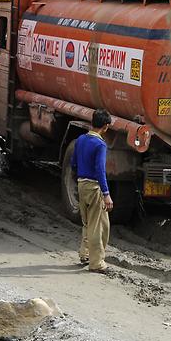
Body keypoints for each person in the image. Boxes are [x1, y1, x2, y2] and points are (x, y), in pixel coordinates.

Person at [70, 108, 114, 274]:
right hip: (94, 187)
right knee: (98, 226)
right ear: (105, 127)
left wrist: (78, 179)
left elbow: (73, 163)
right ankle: (96, 263)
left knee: (89, 223)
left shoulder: (81, 139)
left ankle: (85, 254)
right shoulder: (100, 145)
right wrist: (106, 194)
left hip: (82, 184)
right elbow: (100, 171)